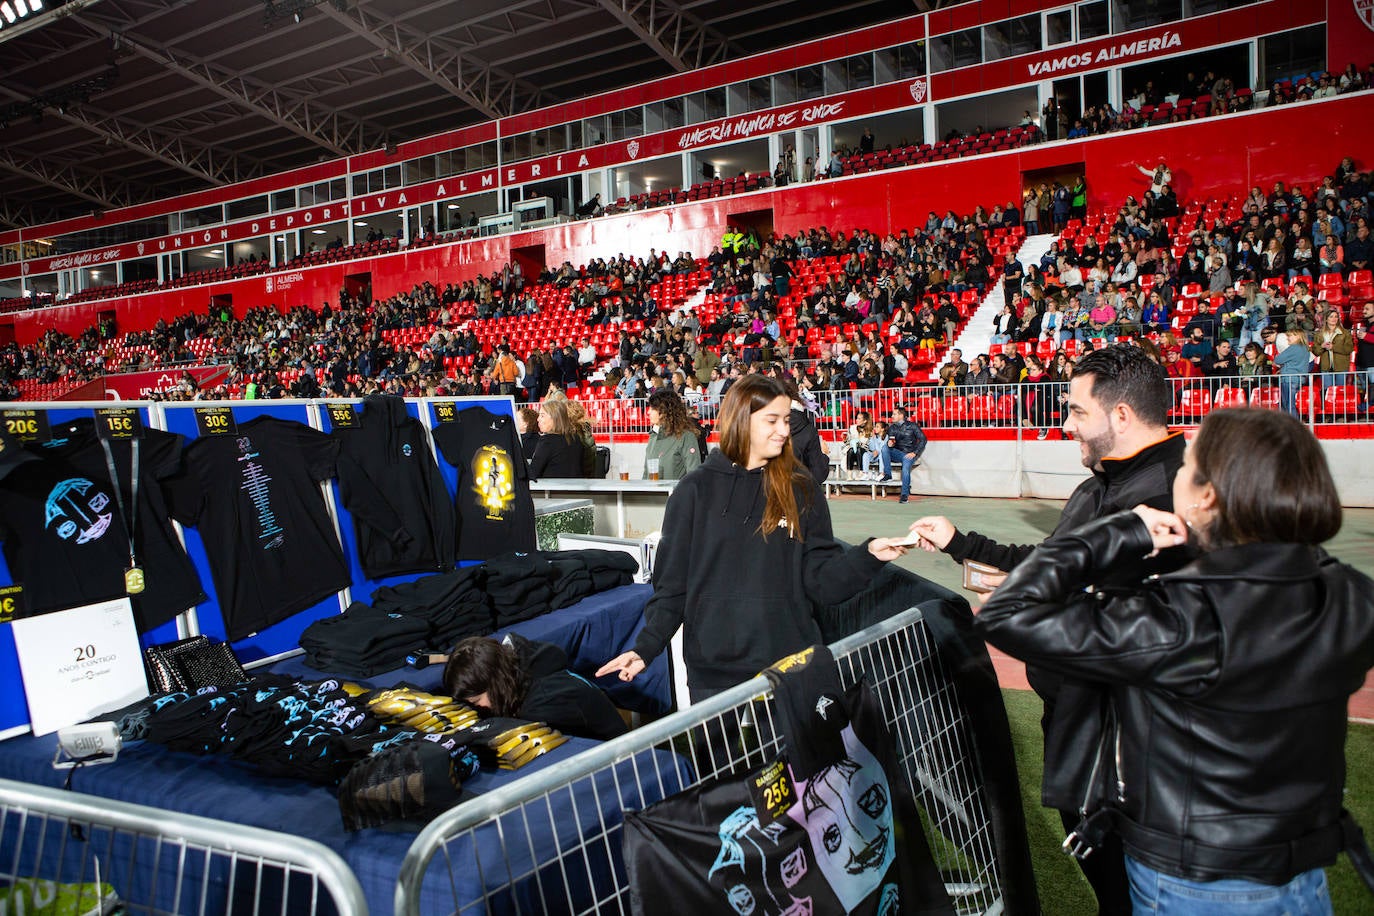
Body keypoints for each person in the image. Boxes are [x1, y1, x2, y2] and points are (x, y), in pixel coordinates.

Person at [977, 408, 1374, 915]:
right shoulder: (1349, 593)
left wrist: (1115, 533)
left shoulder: (1181, 612)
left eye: (1188, 464)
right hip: (1302, 868)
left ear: (1207, 495)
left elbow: (1006, 614)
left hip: (1194, 880)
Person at [908, 345, 1183, 916]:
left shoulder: (1173, 497)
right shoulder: (1099, 486)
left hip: (1135, 745)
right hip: (1079, 727)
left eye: (1078, 411)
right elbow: (1050, 561)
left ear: (1123, 416)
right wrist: (963, 543)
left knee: (1148, 896)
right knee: (1112, 889)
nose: (1065, 423)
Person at [595, 375, 912, 702]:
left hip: (790, 666)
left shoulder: (801, 488)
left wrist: (868, 557)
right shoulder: (694, 491)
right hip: (712, 671)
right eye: (772, 420)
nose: (784, 431)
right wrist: (646, 646)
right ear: (740, 421)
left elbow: (822, 583)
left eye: (786, 420)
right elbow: (672, 586)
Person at [442, 635, 628, 741]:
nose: (477, 708)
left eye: (476, 701)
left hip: (619, 760)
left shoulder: (544, 703)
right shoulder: (525, 666)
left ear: (496, 684)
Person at [643, 389, 701, 480]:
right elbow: (646, 474)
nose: (648, 412)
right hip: (652, 494)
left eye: (652, 409)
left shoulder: (686, 437)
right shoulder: (653, 436)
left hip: (676, 494)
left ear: (664, 412)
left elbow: (694, 476)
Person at [879, 405, 927, 505]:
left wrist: (915, 452)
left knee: (905, 469)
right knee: (884, 448)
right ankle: (888, 474)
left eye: (894, 414)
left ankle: (904, 495)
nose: (892, 416)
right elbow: (891, 442)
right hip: (898, 453)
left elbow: (923, 439)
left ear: (901, 415)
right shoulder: (892, 427)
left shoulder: (913, 426)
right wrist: (889, 444)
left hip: (909, 454)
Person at [528, 398, 587, 478]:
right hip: (576, 489)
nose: (538, 419)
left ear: (554, 418)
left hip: (553, 489)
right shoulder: (576, 438)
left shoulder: (547, 442)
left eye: (542, 416)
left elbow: (533, 473)